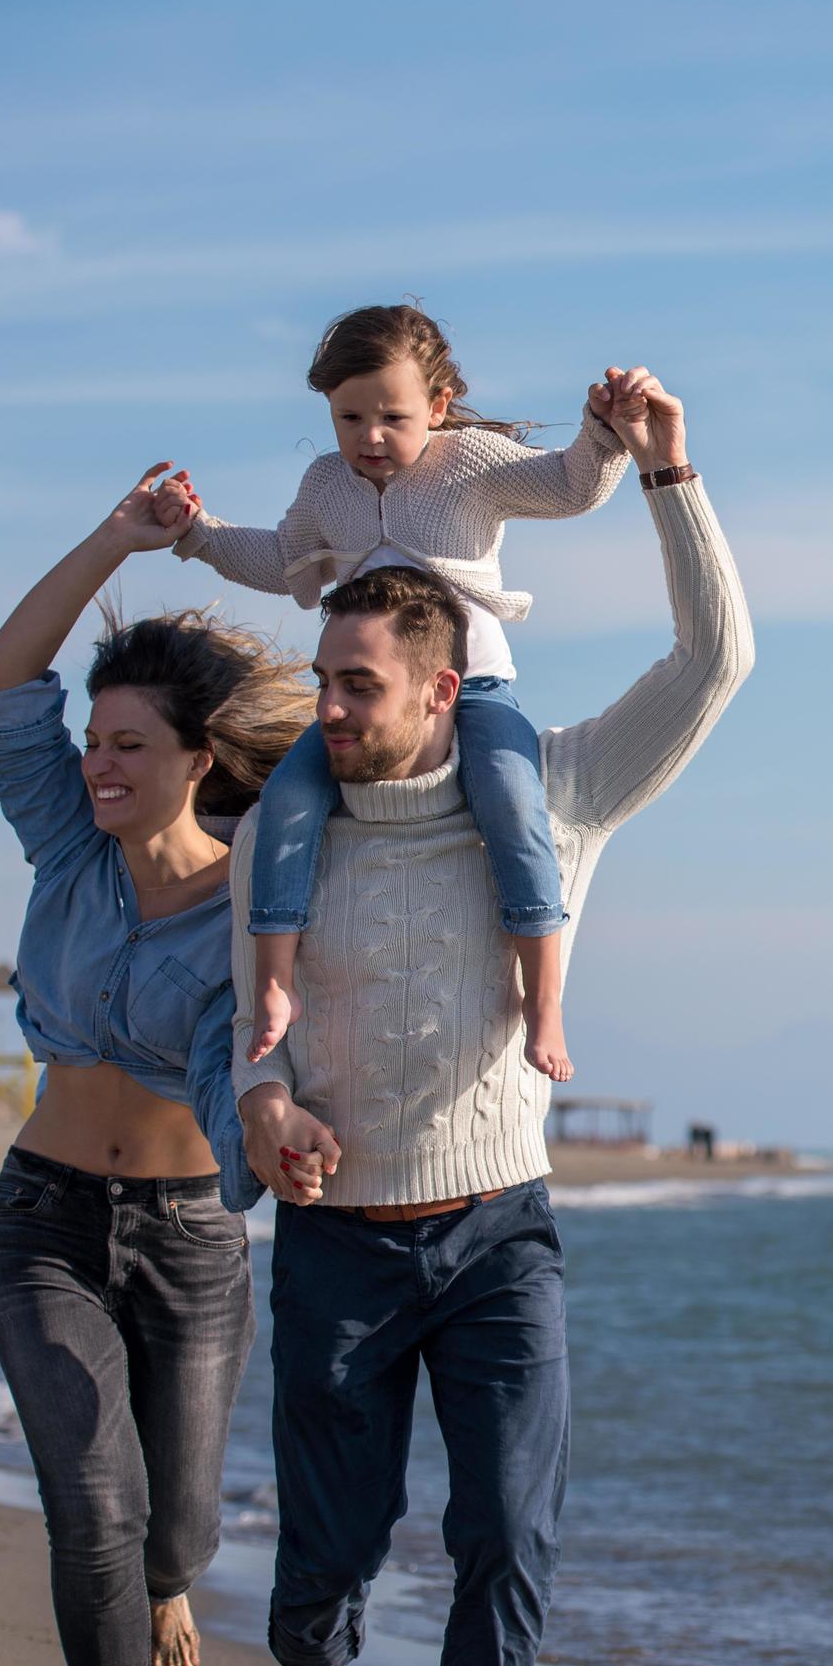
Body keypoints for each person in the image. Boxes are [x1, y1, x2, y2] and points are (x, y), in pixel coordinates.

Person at [232, 366, 747, 1666]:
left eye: (356, 687)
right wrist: (259, 1110)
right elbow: (233, 1036)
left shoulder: (559, 790)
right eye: (320, 679)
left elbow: (713, 664)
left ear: (443, 688)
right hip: (335, 1236)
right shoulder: (286, 822)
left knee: (507, 1535)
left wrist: (669, 479)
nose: (324, 709)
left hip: (495, 1234)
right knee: (329, 1543)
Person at [0, 465, 313, 1666]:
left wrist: (279, 1139)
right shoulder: (65, 850)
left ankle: (169, 1584)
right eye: (95, 742)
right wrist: (120, 536)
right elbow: (7, 677)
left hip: (188, 1240)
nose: (99, 766)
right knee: (88, 1491)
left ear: (200, 763)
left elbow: (248, 1076)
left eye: (130, 748)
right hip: (42, 1216)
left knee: (181, 1532)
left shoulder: (257, 905)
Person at [161, 304, 634, 1088]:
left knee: (514, 805)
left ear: (439, 407)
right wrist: (199, 532)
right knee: (283, 806)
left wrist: (603, 429)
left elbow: (572, 486)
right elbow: (283, 560)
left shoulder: (469, 465)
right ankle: (275, 984)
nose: (368, 437)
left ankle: (544, 999)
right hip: (366, 704)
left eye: (392, 417)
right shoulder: (326, 486)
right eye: (349, 417)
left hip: (472, 689)